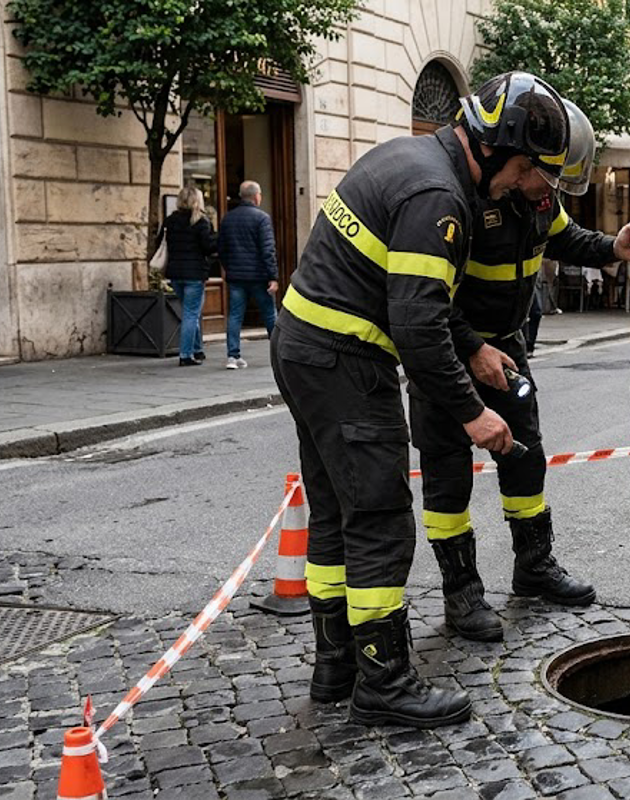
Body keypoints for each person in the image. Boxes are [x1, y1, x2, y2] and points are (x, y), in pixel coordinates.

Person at [271, 71, 571, 728]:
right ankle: (384, 681)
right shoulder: (439, 195)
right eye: (526, 168)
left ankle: (336, 666)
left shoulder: (410, 160)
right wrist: (472, 414)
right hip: (345, 358)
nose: (527, 184)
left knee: (333, 514)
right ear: (494, 149)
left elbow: (415, 306)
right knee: (379, 518)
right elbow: (418, 324)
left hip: (304, 344)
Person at [412, 98, 630, 642]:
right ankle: (462, 592)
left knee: (527, 460)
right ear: (519, 167)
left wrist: (613, 246)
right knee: (446, 475)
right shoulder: (463, 201)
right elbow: (424, 302)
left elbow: (570, 240)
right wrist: (471, 347)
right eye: (546, 181)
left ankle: (533, 566)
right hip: (449, 352)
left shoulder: (541, 201)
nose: (552, 194)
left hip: (508, 349)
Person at [218, 180, 278, 369]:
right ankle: (278, 353)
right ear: (256, 196)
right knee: (269, 314)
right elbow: (267, 250)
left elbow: (222, 249)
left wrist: (229, 268)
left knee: (235, 315)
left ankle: (232, 356)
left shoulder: (228, 218)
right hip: (259, 276)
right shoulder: (262, 218)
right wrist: (273, 276)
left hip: (236, 277)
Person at [162, 186, 216, 366]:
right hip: (194, 274)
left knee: (190, 311)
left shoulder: (170, 220)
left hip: (175, 273)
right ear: (197, 201)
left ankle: (197, 349)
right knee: (191, 313)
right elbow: (208, 247)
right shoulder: (201, 221)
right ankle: (185, 354)